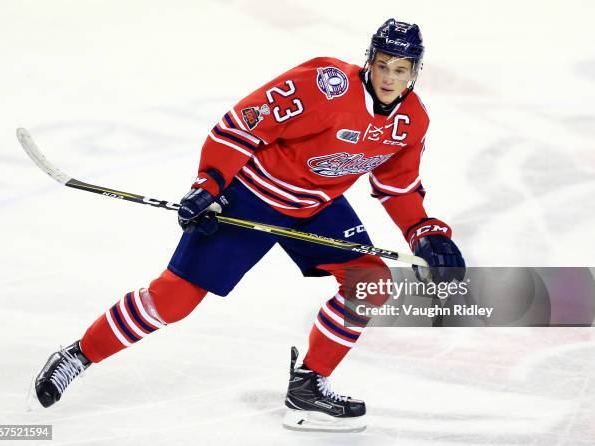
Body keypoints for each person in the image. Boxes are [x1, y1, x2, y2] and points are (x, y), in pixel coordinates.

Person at [33, 18, 465, 432]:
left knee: (369, 280)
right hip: (250, 198)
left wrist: (424, 232)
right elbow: (239, 127)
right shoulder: (324, 85)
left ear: (415, 74)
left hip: (317, 205)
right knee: (173, 300)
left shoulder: (411, 122)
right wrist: (209, 183)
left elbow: (398, 187)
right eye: (383, 65)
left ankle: (308, 386)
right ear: (369, 60)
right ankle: (79, 355)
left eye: (401, 70)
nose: (389, 77)